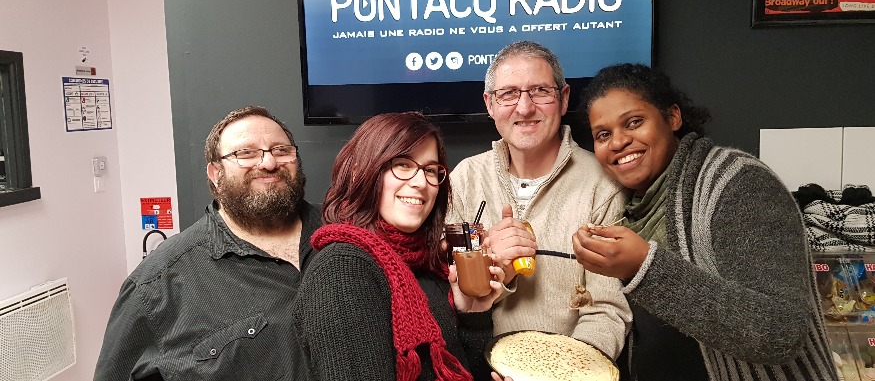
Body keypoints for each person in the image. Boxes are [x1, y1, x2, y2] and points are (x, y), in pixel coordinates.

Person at [572, 63, 838, 381]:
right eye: (603, 135)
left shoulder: (738, 183)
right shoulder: (628, 208)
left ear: (673, 117)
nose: (618, 142)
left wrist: (645, 267)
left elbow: (778, 332)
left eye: (634, 122)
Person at [94, 106, 321, 380]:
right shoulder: (156, 286)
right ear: (216, 174)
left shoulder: (345, 233)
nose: (269, 162)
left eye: (281, 150)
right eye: (246, 153)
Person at [447, 40, 632, 360]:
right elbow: (445, 300)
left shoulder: (602, 185)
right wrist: (494, 269)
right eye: (508, 94)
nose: (524, 108)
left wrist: (563, 371)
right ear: (489, 104)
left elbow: (606, 310)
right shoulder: (464, 179)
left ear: (564, 98)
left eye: (540, 91)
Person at [291, 112, 506, 380]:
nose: (420, 182)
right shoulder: (341, 269)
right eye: (403, 165)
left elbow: (462, 371)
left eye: (430, 170)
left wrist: (473, 317)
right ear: (360, 172)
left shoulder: (428, 264)